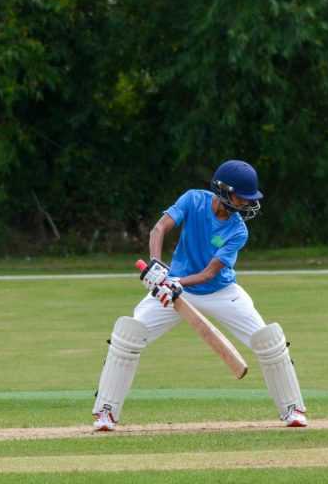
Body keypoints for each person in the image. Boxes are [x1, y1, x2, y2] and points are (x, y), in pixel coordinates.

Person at [91, 160, 308, 431]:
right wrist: (156, 266)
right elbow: (159, 229)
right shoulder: (193, 199)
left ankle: (293, 410)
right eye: (243, 197)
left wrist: (174, 282)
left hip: (220, 291)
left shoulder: (238, 230)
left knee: (268, 340)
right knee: (128, 334)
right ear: (224, 192)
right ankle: (106, 413)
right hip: (173, 287)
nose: (247, 204)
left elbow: (209, 273)